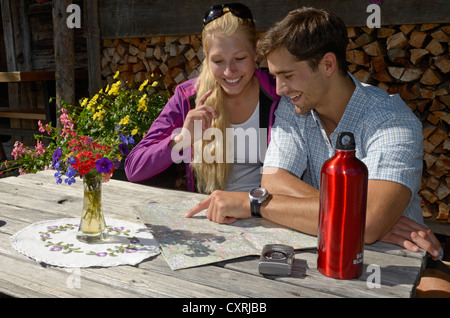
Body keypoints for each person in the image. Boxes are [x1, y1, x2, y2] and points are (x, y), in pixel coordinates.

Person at [186, 7, 442, 261]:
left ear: (328, 64)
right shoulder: (293, 106)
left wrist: (254, 204)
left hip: (402, 260)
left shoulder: (390, 119)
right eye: (275, 76)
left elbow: (368, 223)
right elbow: (272, 182)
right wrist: (355, 216)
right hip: (325, 255)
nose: (279, 88)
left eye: (287, 75)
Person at [125, 3, 279, 193]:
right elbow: (134, 168)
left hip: (263, 209)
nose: (229, 71)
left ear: (256, 52)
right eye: (218, 61)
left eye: (240, 59)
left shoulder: (277, 92)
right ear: (206, 57)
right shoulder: (188, 97)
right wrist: (182, 139)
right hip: (208, 214)